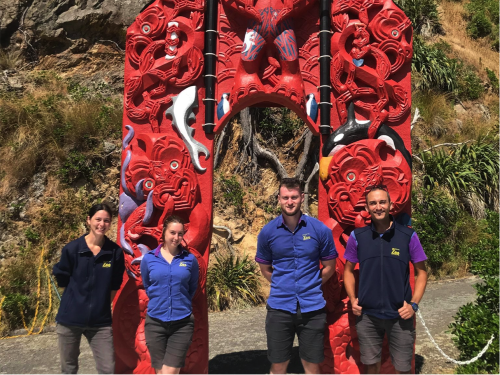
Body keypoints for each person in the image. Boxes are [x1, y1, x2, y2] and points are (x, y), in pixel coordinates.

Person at [256, 178, 338, 375]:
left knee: (311, 365)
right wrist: (283, 285)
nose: (290, 201)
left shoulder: (319, 230)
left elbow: (330, 266)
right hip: (279, 308)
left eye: (294, 197)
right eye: (285, 198)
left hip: (312, 308)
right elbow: (265, 268)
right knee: (278, 364)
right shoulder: (268, 232)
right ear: (279, 199)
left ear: (302, 198)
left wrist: (312, 285)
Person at [343, 185, 428, 375]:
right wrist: (352, 298)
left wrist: (413, 304)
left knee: (404, 368)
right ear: (366, 208)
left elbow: (421, 272)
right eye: (373, 203)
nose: (378, 207)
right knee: (371, 366)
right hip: (368, 316)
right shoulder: (358, 236)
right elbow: (348, 271)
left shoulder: (408, 236)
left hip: (400, 314)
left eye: (382, 202)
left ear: (391, 204)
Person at [53, 203, 125, 375]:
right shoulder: (72, 249)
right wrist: (75, 302)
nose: (102, 224)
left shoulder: (115, 252)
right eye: (97, 219)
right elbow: (62, 278)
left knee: (108, 369)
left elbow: (115, 285)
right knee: (69, 369)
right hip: (69, 321)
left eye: (106, 221)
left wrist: (101, 305)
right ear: (88, 220)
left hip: (100, 323)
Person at [140, 215, 199, 375]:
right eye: (173, 232)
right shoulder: (149, 259)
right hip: (155, 323)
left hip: (182, 323)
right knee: (160, 372)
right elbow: (148, 285)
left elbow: (192, 287)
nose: (176, 237)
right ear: (164, 232)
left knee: (169, 373)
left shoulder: (190, 259)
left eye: (180, 234)